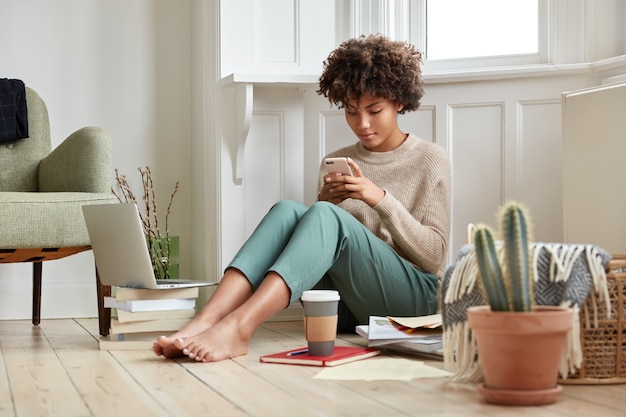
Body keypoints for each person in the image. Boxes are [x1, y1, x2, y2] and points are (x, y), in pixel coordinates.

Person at [153, 34, 451, 362]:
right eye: (351, 111)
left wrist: (379, 198)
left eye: (374, 110)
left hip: (412, 304)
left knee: (323, 215)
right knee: (287, 211)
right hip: (348, 308)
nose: (362, 124)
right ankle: (204, 321)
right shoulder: (339, 158)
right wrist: (326, 203)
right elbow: (316, 253)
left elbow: (434, 257)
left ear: (398, 101)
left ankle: (240, 326)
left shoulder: (429, 158)